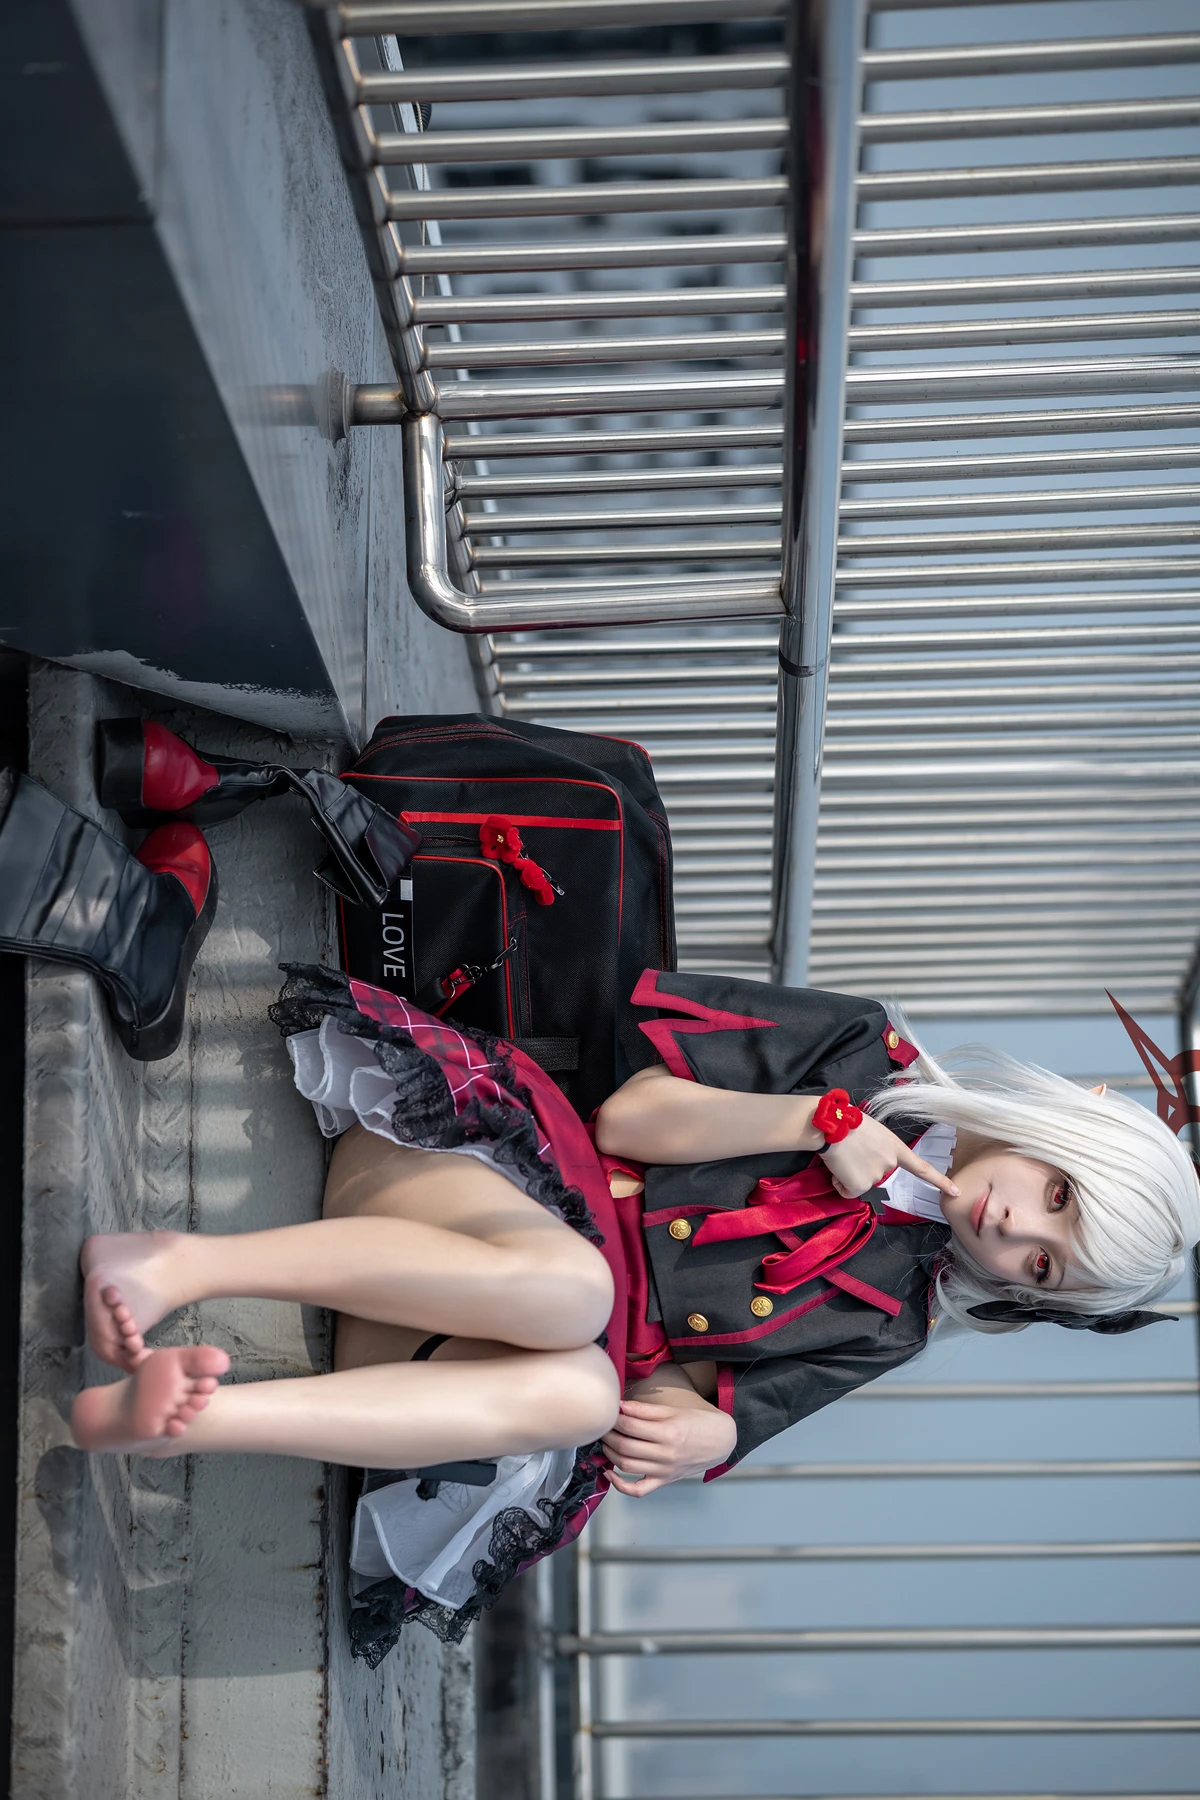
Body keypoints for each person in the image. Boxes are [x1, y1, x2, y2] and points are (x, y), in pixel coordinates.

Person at [70, 963, 1200, 1664]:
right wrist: (816, 1122)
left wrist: (707, 1432)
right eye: (1058, 1196)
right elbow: (629, 1119)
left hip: (444, 1350)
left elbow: (682, 1396)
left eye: (1044, 1264)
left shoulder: (894, 1319)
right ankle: (180, 1265)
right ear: (1066, 1127)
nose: (1017, 1227)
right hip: (451, 1175)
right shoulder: (866, 1050)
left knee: (584, 1393)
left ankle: (186, 1420)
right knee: (581, 1288)